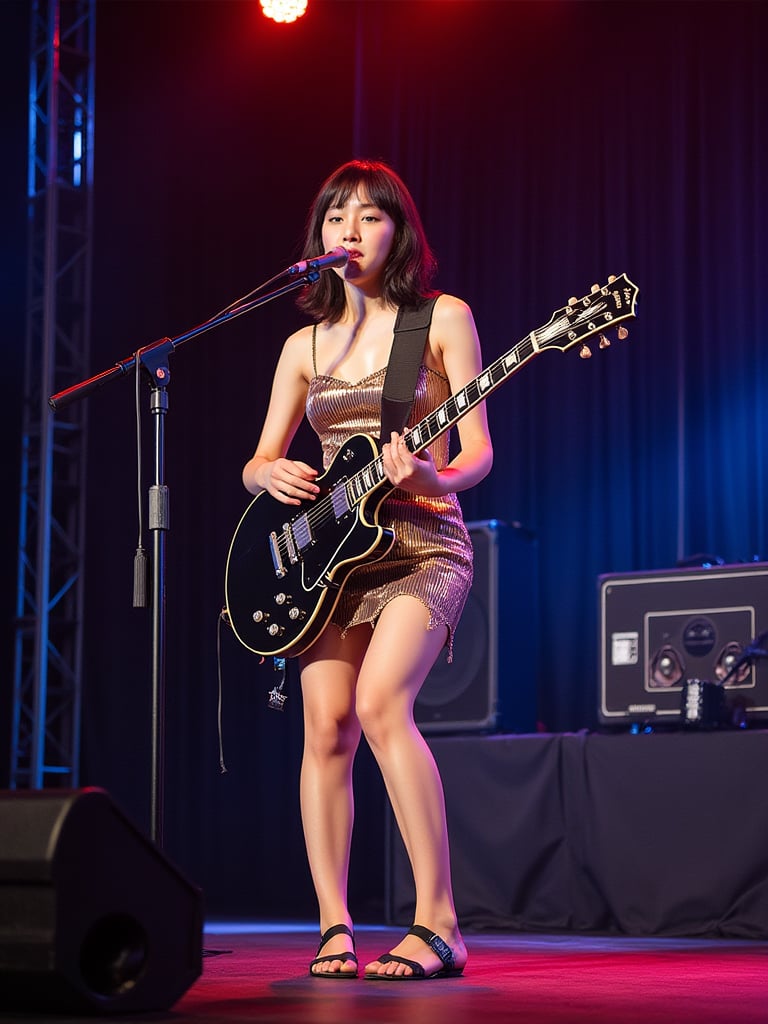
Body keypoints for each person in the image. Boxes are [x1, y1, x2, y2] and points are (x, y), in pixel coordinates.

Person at [241, 159, 493, 979]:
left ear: (399, 231)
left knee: (383, 702)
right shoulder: (302, 343)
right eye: (336, 217)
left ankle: (439, 923)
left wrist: (432, 475)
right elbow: (260, 460)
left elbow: (477, 454)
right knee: (326, 730)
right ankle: (333, 924)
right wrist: (264, 474)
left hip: (422, 544)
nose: (350, 231)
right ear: (317, 237)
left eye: (370, 217)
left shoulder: (441, 319)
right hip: (330, 559)